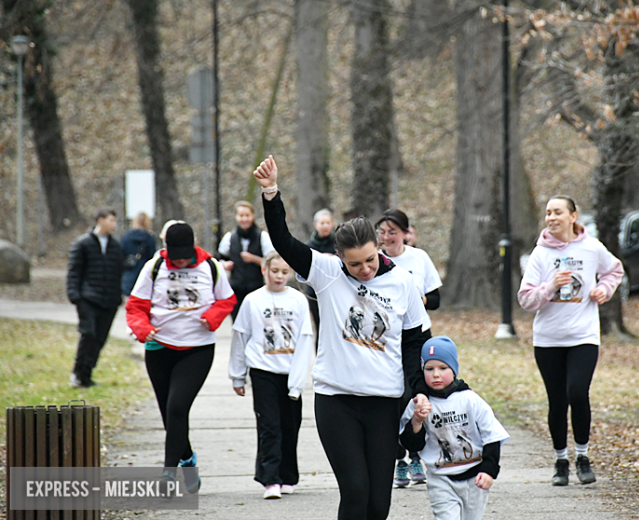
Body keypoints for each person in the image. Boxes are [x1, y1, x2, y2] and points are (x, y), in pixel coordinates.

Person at [252, 155, 430, 520]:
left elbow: (415, 342)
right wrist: (271, 193)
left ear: (377, 249)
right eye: (355, 264)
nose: (364, 270)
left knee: (379, 504)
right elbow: (284, 242)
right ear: (339, 257)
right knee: (355, 491)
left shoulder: (404, 283)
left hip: (385, 401)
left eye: (369, 261)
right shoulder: (327, 272)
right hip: (337, 401)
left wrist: (418, 391)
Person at [517, 195, 624, 486]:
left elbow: (615, 270)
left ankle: (583, 456)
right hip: (548, 339)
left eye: (557, 212)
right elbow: (526, 299)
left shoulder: (591, 248)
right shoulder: (540, 254)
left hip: (583, 336)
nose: (551, 218)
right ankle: (560, 461)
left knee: (577, 392)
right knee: (557, 400)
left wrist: (604, 289)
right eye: (548, 213)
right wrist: (551, 286)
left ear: (573, 216)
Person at [126, 222, 236, 491]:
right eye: (176, 257)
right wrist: (143, 329)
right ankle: (187, 458)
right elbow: (135, 306)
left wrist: (211, 318)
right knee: (169, 414)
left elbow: (227, 300)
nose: (182, 261)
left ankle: (168, 473)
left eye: (185, 256)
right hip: (159, 347)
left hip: (197, 349)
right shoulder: (154, 267)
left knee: (177, 407)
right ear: (167, 250)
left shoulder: (211, 266)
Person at [229, 251, 313, 499]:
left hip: (290, 372)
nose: (279, 276)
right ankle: (270, 479)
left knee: (290, 425)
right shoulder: (253, 300)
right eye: (274, 271)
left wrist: (298, 382)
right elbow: (240, 336)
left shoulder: (298, 300)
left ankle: (288, 476)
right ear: (264, 270)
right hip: (262, 370)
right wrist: (237, 374)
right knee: (269, 425)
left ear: (291, 274)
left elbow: (305, 340)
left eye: (284, 272)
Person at [399, 336, 509, 520]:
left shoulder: (470, 400)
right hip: (440, 478)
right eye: (429, 369)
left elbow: (492, 436)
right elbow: (412, 445)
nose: (436, 374)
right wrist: (417, 421)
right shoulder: (419, 404)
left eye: (443, 368)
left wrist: (489, 470)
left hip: (475, 477)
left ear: (454, 369)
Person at [376, 209, 443, 487]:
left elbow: (437, 299)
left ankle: (416, 456)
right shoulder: (374, 260)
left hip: (417, 333)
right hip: (386, 335)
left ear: (405, 233)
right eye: (382, 231)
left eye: (393, 231)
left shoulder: (419, 258)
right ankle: (398, 460)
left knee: (417, 395)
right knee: (393, 396)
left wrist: (416, 299)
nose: (387, 237)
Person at [66, 207, 124, 388]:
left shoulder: (115, 247)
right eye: (110, 220)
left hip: (109, 301)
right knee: (88, 334)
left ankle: (87, 374)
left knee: (99, 338)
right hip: (88, 299)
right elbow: (74, 271)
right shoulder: (82, 244)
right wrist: (75, 296)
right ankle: (78, 372)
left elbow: (118, 273)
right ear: (100, 220)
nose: (113, 224)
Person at [218, 201, 275, 321]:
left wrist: (254, 259)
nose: (245, 219)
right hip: (236, 288)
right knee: (237, 322)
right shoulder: (230, 237)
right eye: (241, 216)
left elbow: (272, 261)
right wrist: (225, 264)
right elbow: (220, 257)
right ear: (236, 217)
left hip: (256, 288)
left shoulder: (263, 237)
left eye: (247, 215)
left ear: (253, 216)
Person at [305, 208, 337, 335]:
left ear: (332, 224)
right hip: (314, 292)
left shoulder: (340, 243)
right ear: (315, 225)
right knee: (320, 328)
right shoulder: (309, 246)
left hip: (335, 289)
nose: (325, 226)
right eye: (322, 223)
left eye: (328, 223)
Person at [120, 212, 157, 296]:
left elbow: (120, 255)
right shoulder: (150, 239)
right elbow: (152, 258)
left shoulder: (126, 237)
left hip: (128, 275)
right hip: (144, 276)